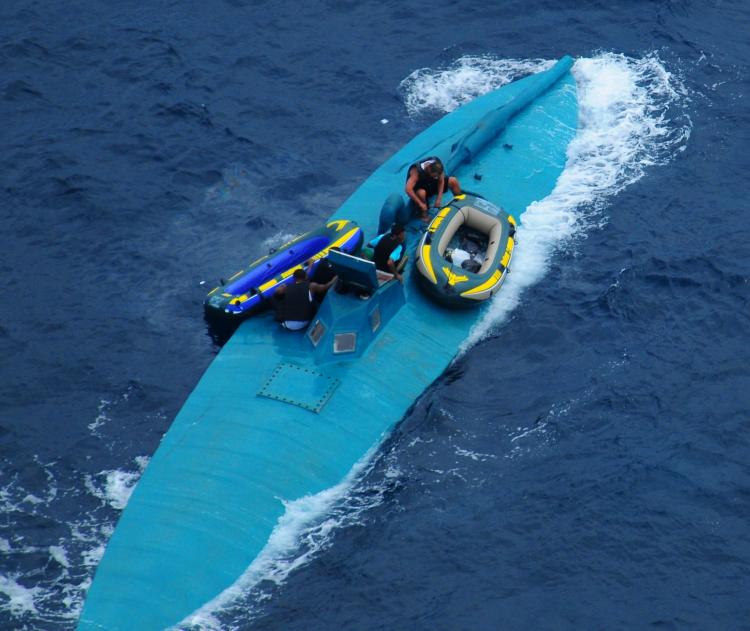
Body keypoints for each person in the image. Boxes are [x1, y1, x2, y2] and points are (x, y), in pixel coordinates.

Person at [272, 268, 337, 331]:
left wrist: (281, 286)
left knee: (278, 298)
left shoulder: (286, 288)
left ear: (294, 278)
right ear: (305, 277)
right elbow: (325, 287)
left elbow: (276, 292)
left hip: (287, 324)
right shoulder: (312, 286)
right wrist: (334, 279)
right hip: (304, 323)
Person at [405, 156, 461, 221]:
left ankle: (460, 201)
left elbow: (441, 180)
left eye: (437, 176)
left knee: (453, 181)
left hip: (431, 184)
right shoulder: (416, 171)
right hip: (421, 187)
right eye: (435, 176)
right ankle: (424, 215)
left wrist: (438, 199)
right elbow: (408, 189)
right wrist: (420, 203)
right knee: (421, 193)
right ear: (428, 169)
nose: (436, 177)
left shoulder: (437, 165)